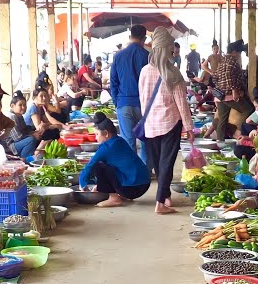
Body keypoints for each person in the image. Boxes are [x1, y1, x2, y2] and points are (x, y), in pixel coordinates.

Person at [140, 27, 196, 214]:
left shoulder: (145, 71)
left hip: (150, 123)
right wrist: (189, 127)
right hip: (171, 122)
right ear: (167, 48)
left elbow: (142, 99)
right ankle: (160, 203)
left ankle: (166, 197)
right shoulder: (173, 73)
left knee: (159, 163)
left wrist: (146, 120)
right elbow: (182, 103)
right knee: (167, 163)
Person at [77, 114, 150, 207]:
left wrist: (82, 184)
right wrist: (99, 185)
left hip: (131, 189)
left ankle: (114, 198)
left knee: (98, 166)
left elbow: (89, 166)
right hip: (144, 184)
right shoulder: (120, 140)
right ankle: (122, 195)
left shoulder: (106, 147)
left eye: (97, 134)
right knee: (107, 165)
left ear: (106, 133)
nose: (96, 138)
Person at [109, 25, 151, 164]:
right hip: (143, 105)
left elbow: (113, 82)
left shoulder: (118, 56)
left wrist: (117, 103)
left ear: (129, 37)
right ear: (144, 38)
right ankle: (145, 170)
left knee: (128, 141)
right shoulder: (147, 56)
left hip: (123, 104)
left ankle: (133, 173)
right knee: (145, 140)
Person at [208, 40, 253, 144]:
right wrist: (234, 91)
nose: (239, 55)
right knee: (249, 109)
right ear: (234, 52)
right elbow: (229, 76)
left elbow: (214, 78)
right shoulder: (232, 62)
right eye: (238, 53)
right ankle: (238, 132)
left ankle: (220, 143)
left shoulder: (222, 62)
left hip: (221, 96)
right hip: (230, 96)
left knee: (222, 120)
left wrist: (220, 87)